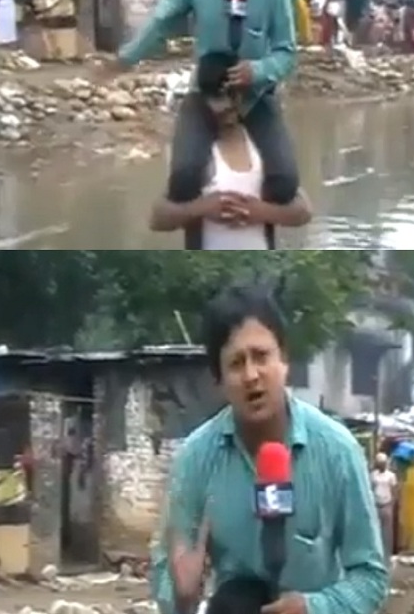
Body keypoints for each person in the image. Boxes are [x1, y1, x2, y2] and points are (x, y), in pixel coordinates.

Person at [151, 284, 389, 614]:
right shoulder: (195, 460)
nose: (251, 375)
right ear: (218, 379)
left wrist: (313, 608)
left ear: (285, 360)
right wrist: (180, 596)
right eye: (235, 363)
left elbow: (371, 577)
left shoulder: (338, 451)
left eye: (261, 357)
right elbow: (167, 569)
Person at [115, 0, 299, 250]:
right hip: (208, 92)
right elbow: (163, 19)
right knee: (183, 177)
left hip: (256, 94)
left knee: (284, 181)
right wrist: (125, 58)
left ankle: (257, 238)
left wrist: (258, 71)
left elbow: (287, 52)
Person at [151, 51, 311, 249]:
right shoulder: (193, 151)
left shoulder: (262, 144)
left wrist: (260, 212)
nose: (225, 110)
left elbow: (303, 211)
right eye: (218, 103)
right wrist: (202, 208)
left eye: (231, 101)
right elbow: (157, 219)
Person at [371, 453, 397, 560]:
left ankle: (387, 553)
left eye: (383, 463)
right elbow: (371, 488)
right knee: (376, 529)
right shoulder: (373, 475)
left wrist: (392, 503)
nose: (381, 465)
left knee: (387, 531)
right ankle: (378, 552)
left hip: (387, 504)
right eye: (379, 463)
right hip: (376, 505)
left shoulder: (391, 476)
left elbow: (394, 490)